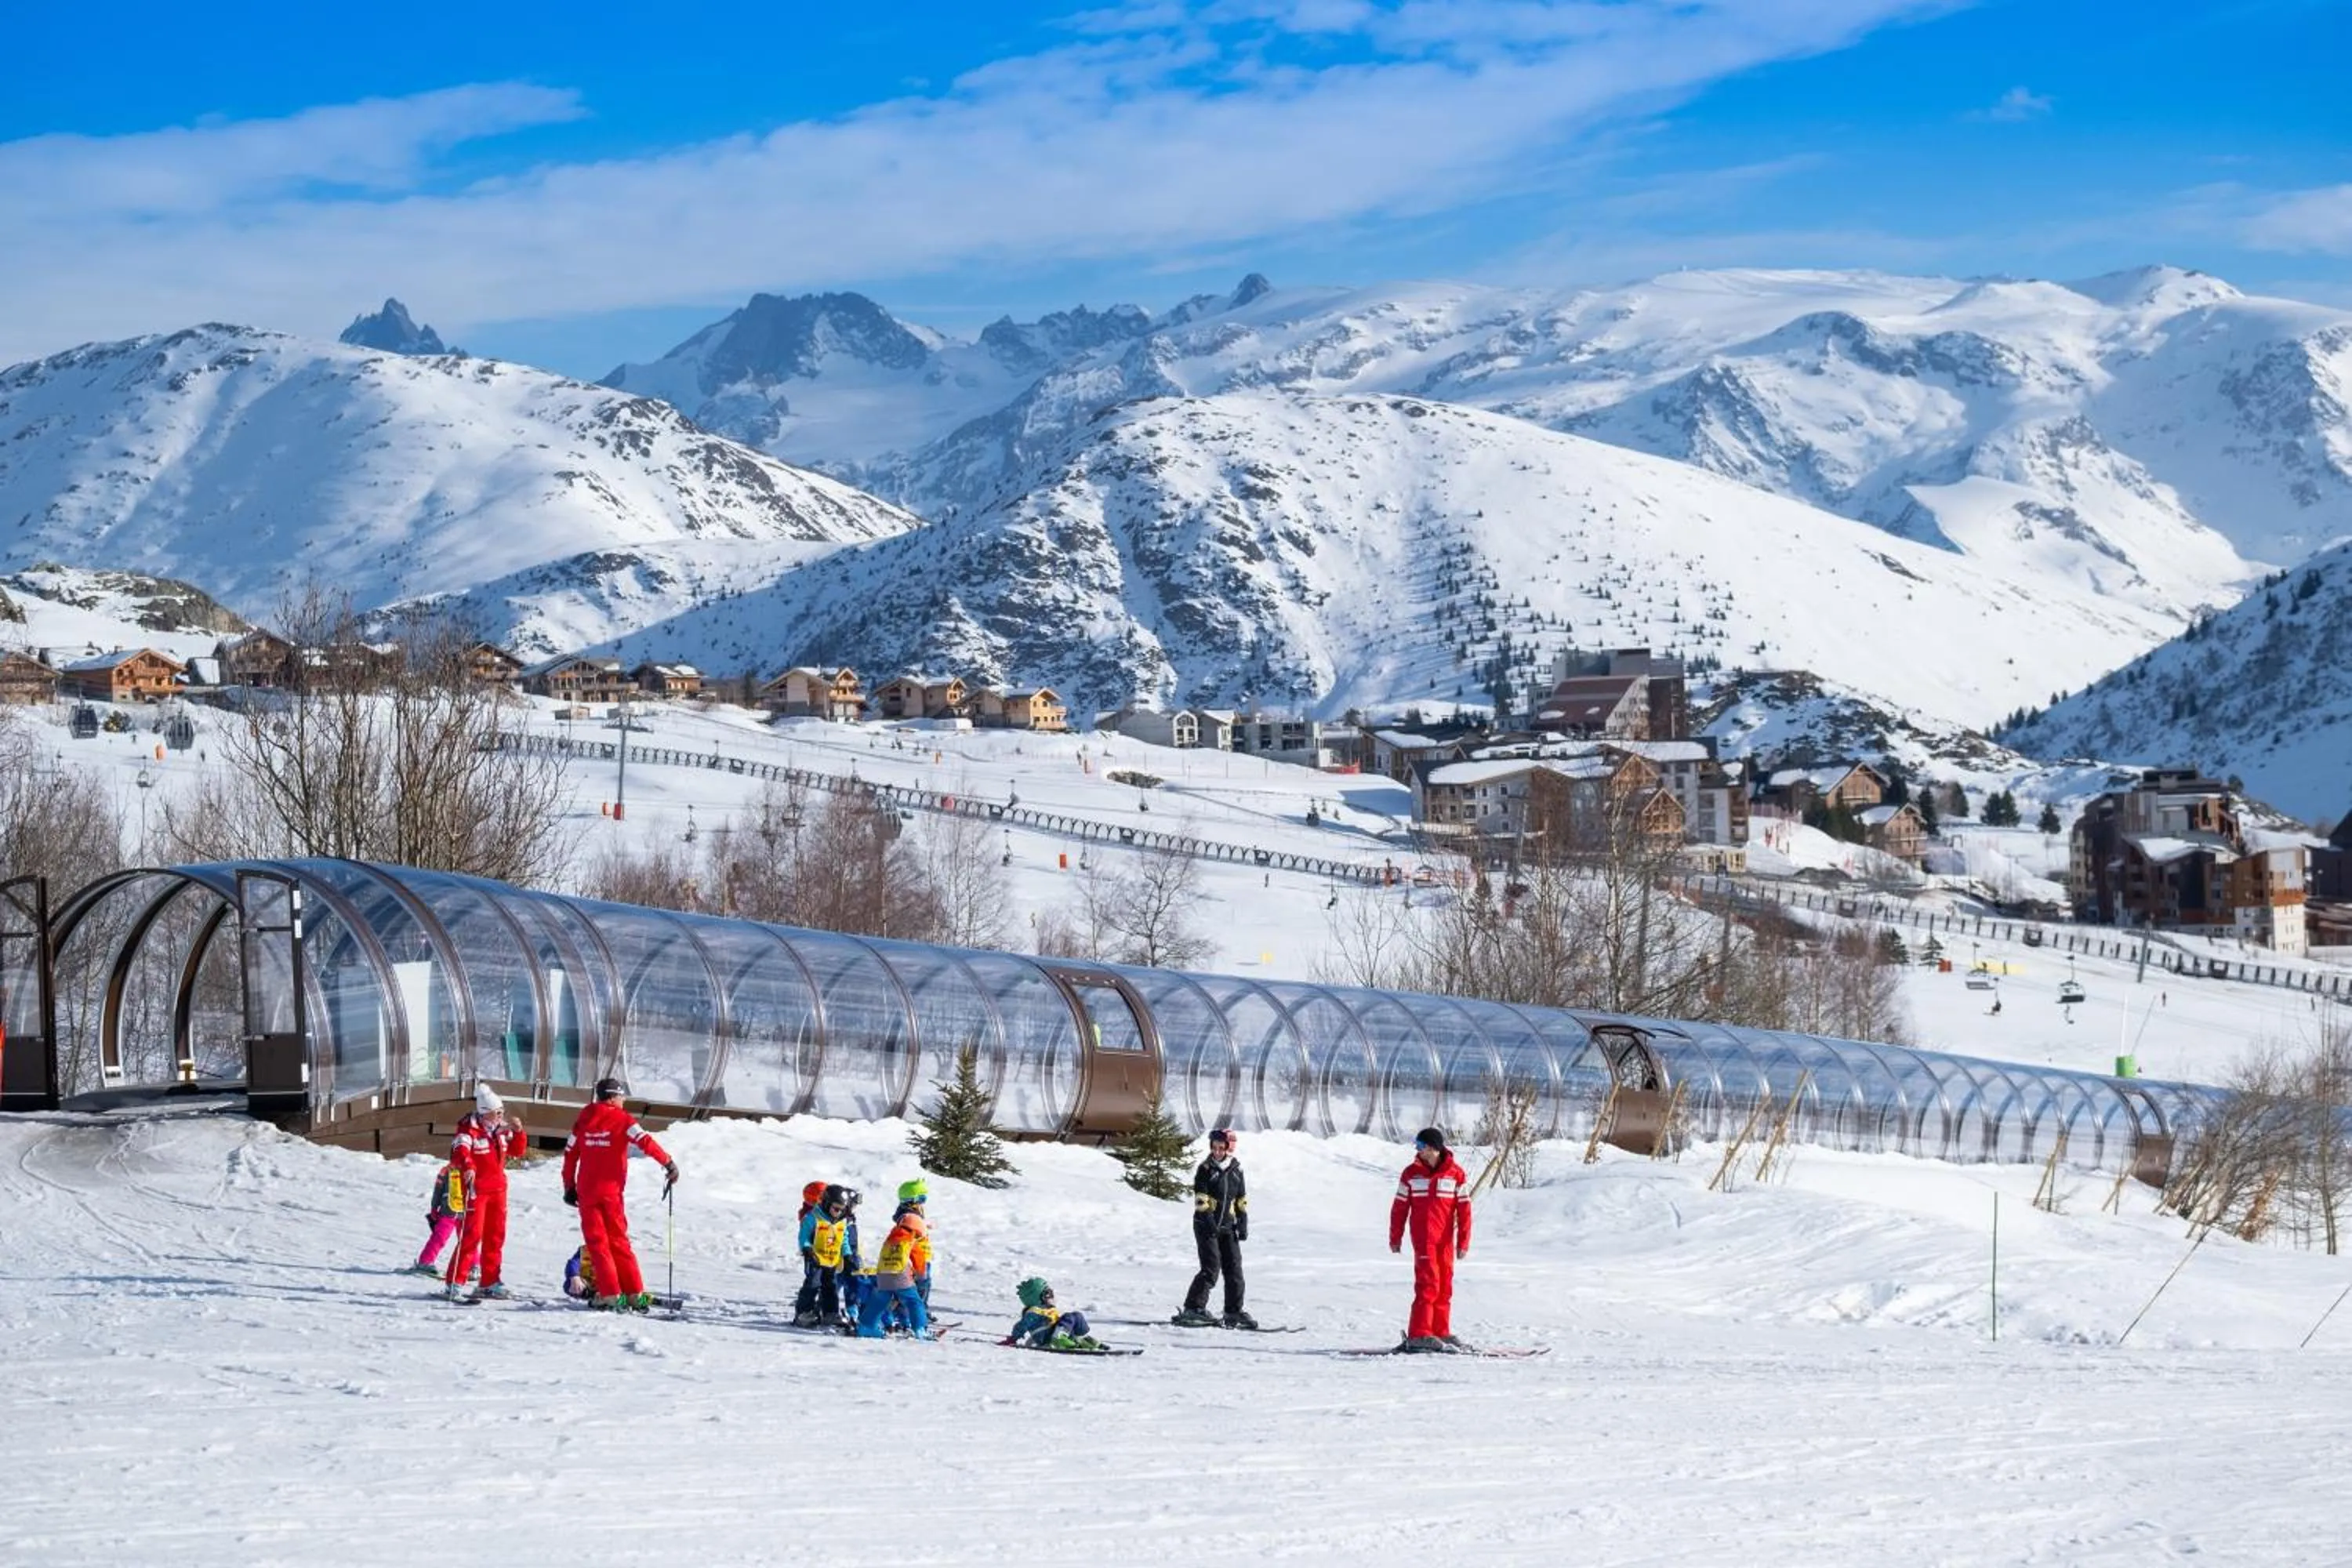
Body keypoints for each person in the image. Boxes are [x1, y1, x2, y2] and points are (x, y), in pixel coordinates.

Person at [561, 1076, 680, 1312]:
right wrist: (668, 1163)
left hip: (587, 1192)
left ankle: (611, 1294)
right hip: (611, 1192)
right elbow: (645, 1141)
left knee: (598, 1244)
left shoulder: (583, 1119)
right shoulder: (623, 1119)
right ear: (613, 1096)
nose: (624, 1100)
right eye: (622, 1096)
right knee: (619, 1242)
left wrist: (569, 1186)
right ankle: (634, 1293)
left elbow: (570, 1154)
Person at [1388, 1126, 1472, 1352]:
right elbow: (1399, 1208)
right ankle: (1419, 1334)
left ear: (1435, 1148)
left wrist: (1463, 1242)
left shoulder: (1456, 1174)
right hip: (1424, 1239)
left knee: (1445, 1287)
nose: (1418, 1151)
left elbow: (1464, 1211)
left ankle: (1440, 1331)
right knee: (1428, 1285)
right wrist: (1395, 1237)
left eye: (1422, 1146)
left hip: (1445, 1242)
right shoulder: (1411, 1174)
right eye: (1417, 1146)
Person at [446, 1084, 526, 1302]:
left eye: (502, 1111)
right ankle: (454, 1283)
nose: (500, 1115)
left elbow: (518, 1152)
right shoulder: (468, 1131)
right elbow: (460, 1152)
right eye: (496, 1112)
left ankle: (490, 1282)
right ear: (484, 1112)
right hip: (477, 1191)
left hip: (498, 1190)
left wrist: (519, 1132)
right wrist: (469, 1166)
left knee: (496, 1236)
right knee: (472, 1236)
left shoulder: (500, 1130)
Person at [1174, 1127, 1254, 1328]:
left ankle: (1233, 1311)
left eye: (1221, 1148)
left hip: (1228, 1227)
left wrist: (1242, 1223)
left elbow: (1241, 1200)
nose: (1216, 1151)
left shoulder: (1237, 1170)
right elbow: (1201, 1199)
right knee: (1211, 1268)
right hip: (1205, 1226)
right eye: (1214, 1147)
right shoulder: (1205, 1169)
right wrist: (1208, 1221)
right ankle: (1193, 1308)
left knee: (1234, 1269)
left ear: (1229, 1148)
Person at [856, 1207, 932, 1339]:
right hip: (900, 1275)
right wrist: (921, 1278)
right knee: (914, 1302)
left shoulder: (890, 1239)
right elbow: (919, 1261)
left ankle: (866, 1327)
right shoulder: (910, 1240)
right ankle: (920, 1329)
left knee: (879, 1301)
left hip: (882, 1276)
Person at [794, 1184, 858, 1327]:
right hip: (815, 1259)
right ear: (826, 1203)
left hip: (832, 1260)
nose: (839, 1212)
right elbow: (803, 1236)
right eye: (836, 1208)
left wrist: (847, 1256)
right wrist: (807, 1250)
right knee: (812, 1284)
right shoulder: (813, 1218)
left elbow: (844, 1240)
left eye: (843, 1210)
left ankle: (830, 1313)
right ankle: (803, 1313)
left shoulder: (842, 1222)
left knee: (830, 1286)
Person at [408, 1160, 465, 1276]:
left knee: (468, 1239)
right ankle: (426, 1262)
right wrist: (435, 1207)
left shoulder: (476, 1170)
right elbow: (438, 1189)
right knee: (440, 1237)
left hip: (467, 1211)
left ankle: (473, 1265)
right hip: (448, 1209)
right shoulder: (447, 1170)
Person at [1008, 1276, 1098, 1350]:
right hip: (1046, 1338)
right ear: (1036, 1298)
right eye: (1048, 1294)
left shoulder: (1048, 1309)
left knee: (1077, 1316)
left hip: (1053, 1333)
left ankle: (1081, 1338)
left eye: (1051, 1293)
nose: (1052, 1297)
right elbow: (1022, 1325)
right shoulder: (1034, 1312)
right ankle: (1059, 1338)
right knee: (1068, 1317)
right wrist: (1013, 1339)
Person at [895, 1178, 933, 1309]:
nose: (923, 1203)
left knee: (925, 1283)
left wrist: (925, 1225)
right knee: (920, 1283)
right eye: (922, 1199)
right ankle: (911, 1311)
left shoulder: (915, 1212)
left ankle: (921, 1309)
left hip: (923, 1254)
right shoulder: (908, 1215)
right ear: (912, 1200)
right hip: (915, 1256)